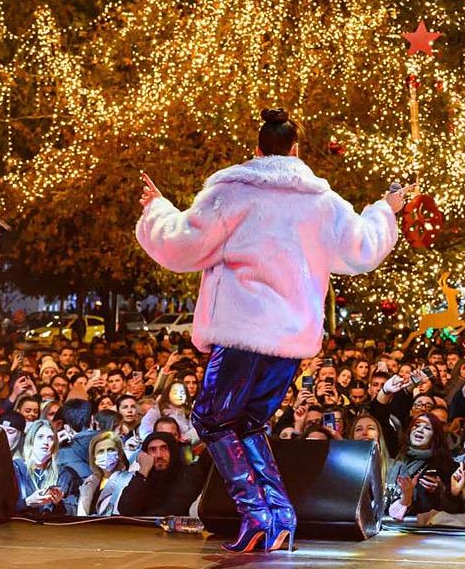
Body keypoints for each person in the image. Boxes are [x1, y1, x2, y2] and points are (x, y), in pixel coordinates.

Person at [135, 108, 405, 552]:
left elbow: (182, 244)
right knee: (248, 422)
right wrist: (384, 209)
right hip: (289, 339)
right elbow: (362, 248)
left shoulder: (234, 192)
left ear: (256, 150)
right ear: (296, 150)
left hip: (243, 331)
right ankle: (278, 516)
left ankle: (257, 513)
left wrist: (158, 208)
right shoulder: (321, 201)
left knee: (210, 418)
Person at [386, 413, 458, 520]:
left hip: (425, 530)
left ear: (435, 436)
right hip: (390, 526)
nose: (420, 430)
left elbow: (456, 508)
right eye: (416, 425)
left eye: (427, 428)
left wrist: (441, 491)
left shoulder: (446, 465)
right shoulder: (397, 460)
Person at [116, 431, 205, 517]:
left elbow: (174, 510)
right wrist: (143, 471)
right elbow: (125, 509)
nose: (159, 455)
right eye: (152, 450)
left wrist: (141, 517)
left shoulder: (189, 474)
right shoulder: (144, 477)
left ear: (173, 451)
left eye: (164, 448)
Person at [12, 420, 71, 515]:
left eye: (50, 438)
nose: (45, 442)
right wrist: (27, 502)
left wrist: (58, 503)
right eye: (40, 437)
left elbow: (70, 514)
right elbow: (3, 510)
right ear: (31, 440)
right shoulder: (15, 468)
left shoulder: (62, 474)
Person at [76, 431, 136, 516]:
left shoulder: (129, 480)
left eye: (110, 450)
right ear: (94, 457)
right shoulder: (89, 482)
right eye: (100, 451)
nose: (106, 454)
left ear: (119, 454)